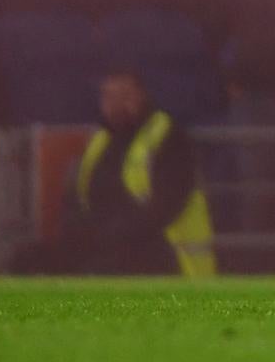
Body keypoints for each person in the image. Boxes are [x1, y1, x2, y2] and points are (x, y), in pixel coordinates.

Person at [13, 71, 217, 276]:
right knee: (26, 262)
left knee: (97, 272)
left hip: (163, 253)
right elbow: (78, 199)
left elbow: (164, 208)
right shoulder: (101, 140)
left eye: (124, 95)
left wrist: (109, 236)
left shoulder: (168, 136)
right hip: (107, 246)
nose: (115, 104)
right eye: (108, 96)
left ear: (141, 96)